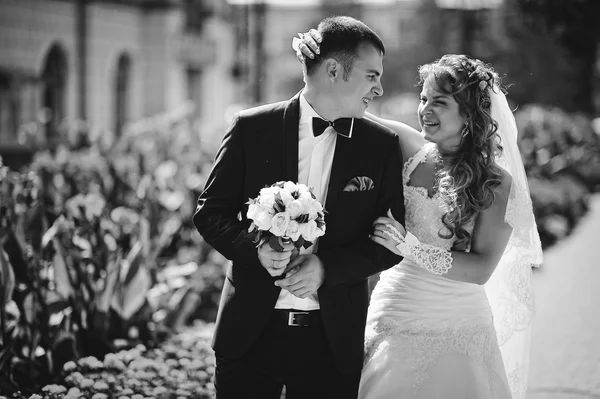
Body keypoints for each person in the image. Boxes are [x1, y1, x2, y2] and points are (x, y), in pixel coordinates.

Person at [295, 33, 542, 399]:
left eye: (439, 102)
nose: (425, 109)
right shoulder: (406, 147)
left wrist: (408, 247)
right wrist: (313, 59)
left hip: (456, 321)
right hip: (393, 307)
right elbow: (342, 103)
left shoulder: (495, 183)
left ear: (470, 114)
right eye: (423, 98)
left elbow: (480, 269)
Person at [193, 16, 407, 399]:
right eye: (371, 75)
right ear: (333, 70)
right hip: (249, 337)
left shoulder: (381, 145)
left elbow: (390, 242)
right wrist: (254, 250)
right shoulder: (251, 128)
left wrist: (327, 268)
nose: (379, 87)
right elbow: (209, 211)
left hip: (332, 340)